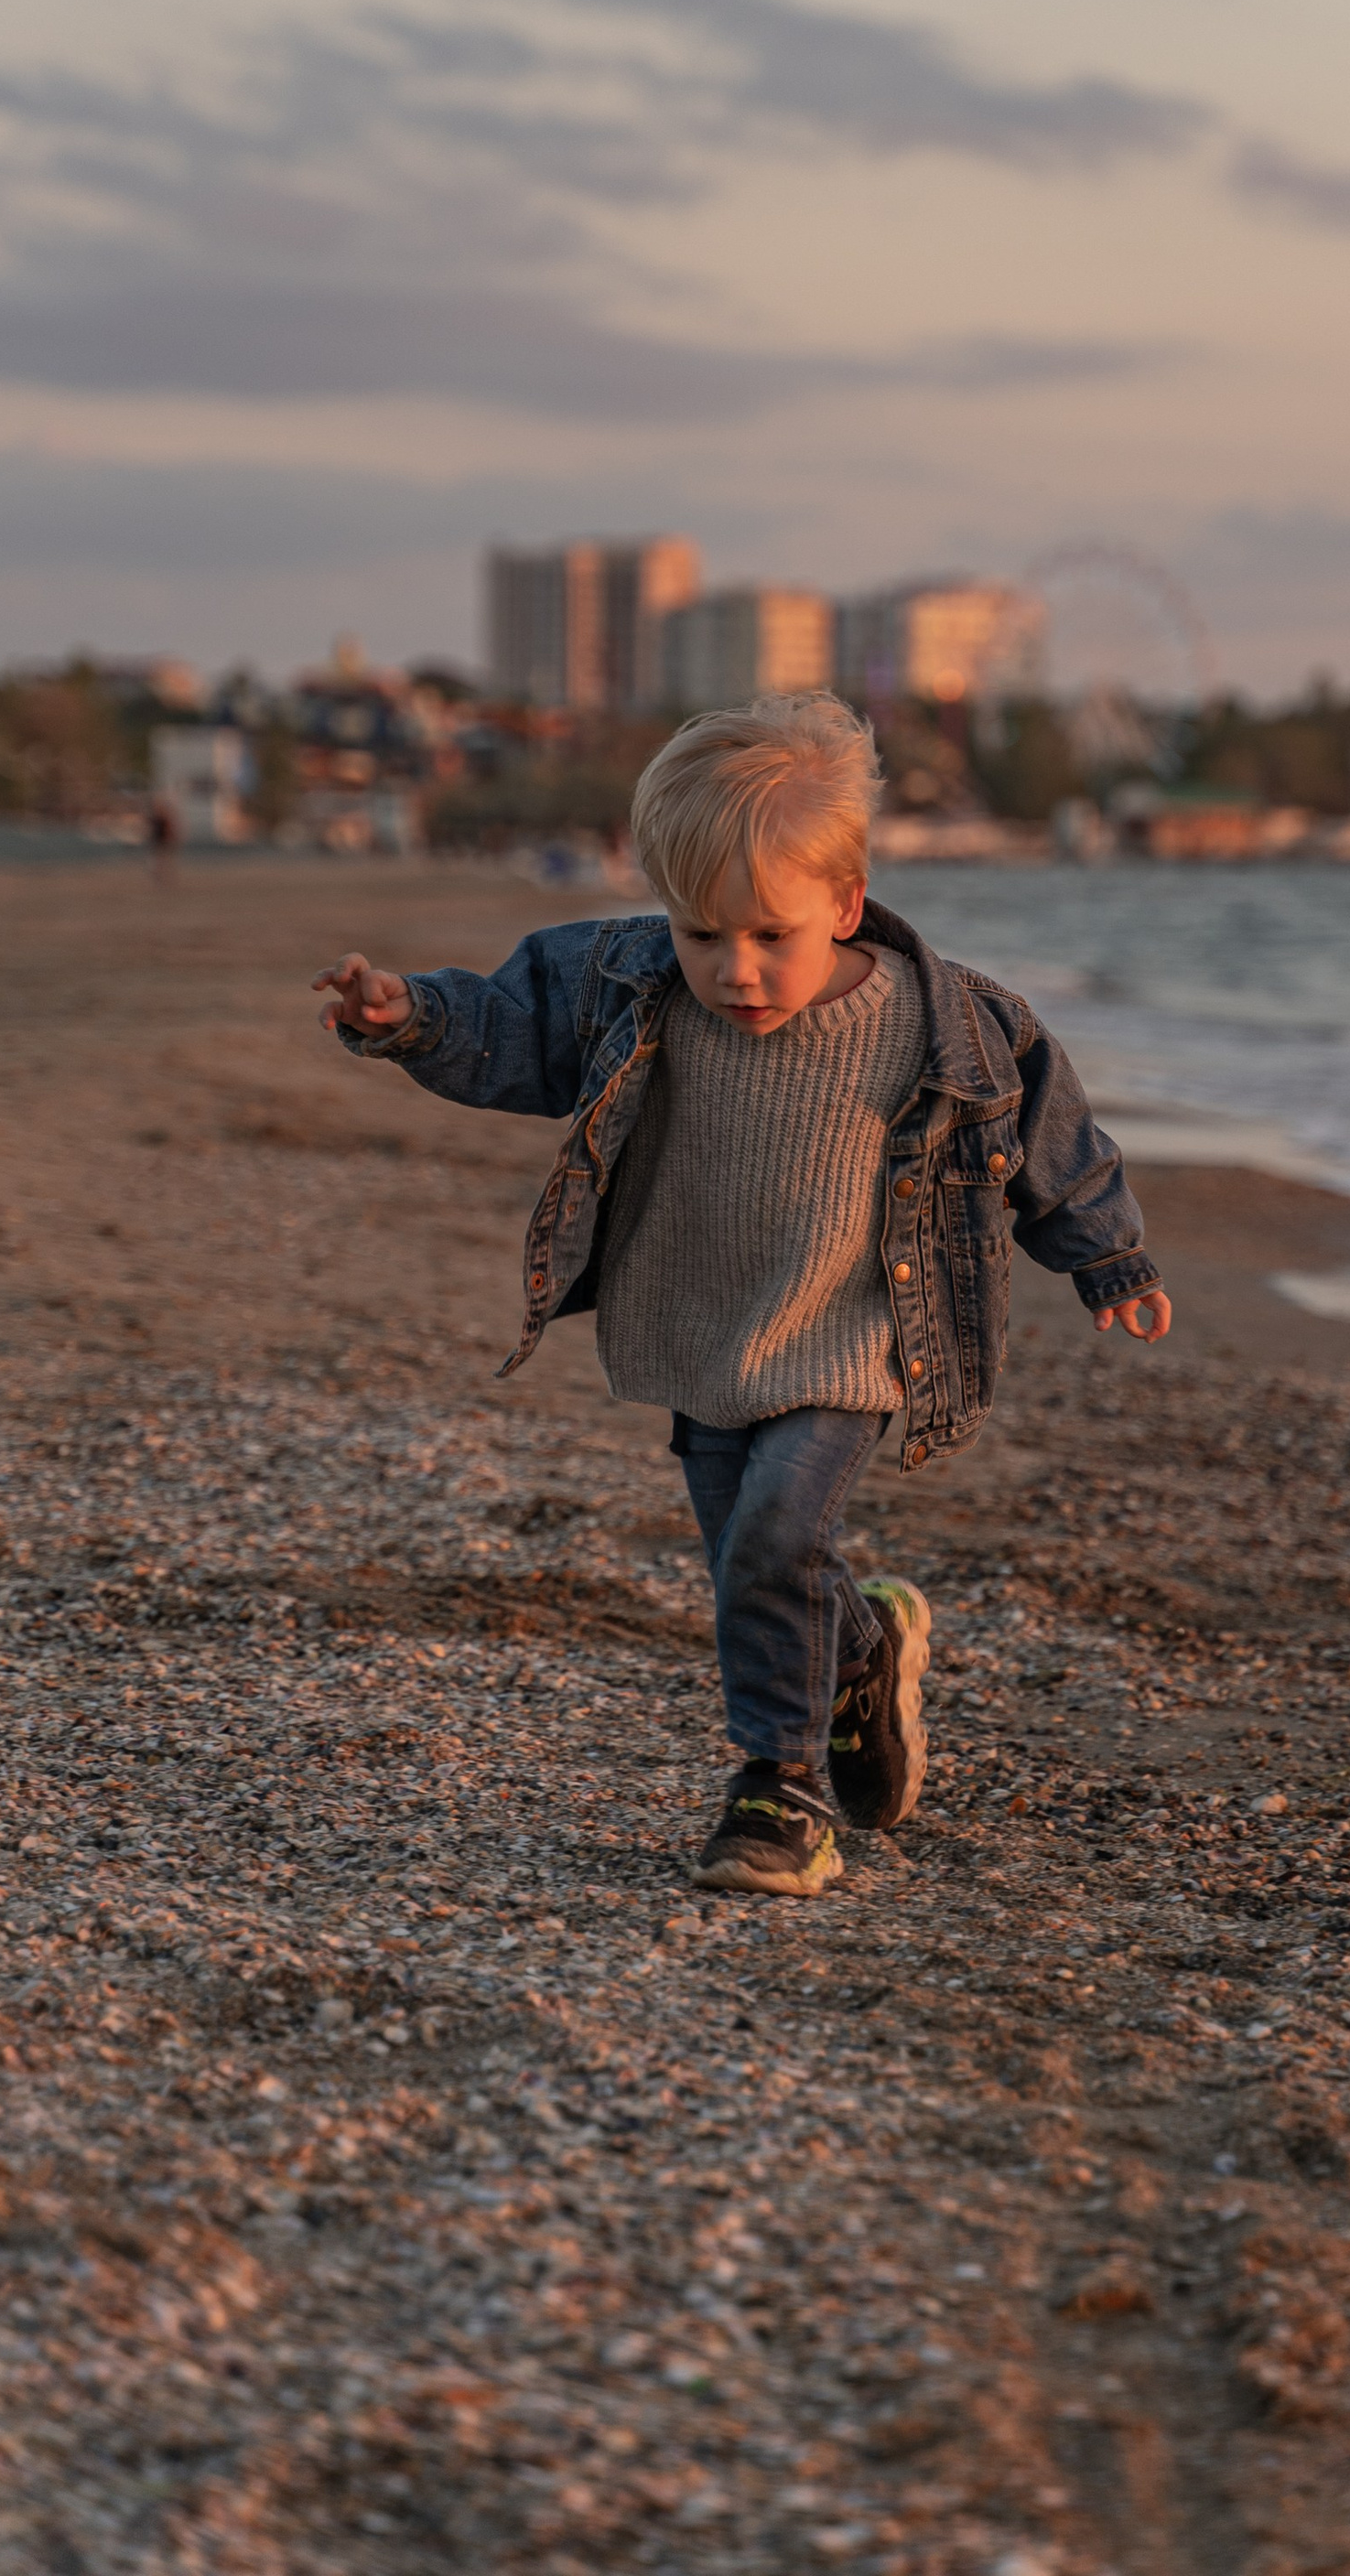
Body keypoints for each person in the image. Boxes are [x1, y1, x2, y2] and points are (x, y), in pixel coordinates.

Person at [311, 694, 1171, 1898]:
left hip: (850, 1336)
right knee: (764, 1563)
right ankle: (865, 1649)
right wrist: (414, 1017)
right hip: (702, 1329)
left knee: (775, 1538)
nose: (735, 967)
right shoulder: (635, 980)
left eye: (770, 933)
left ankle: (781, 1788)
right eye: (704, 934)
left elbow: (1041, 1125)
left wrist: (1105, 1249)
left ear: (846, 900)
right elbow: (518, 1028)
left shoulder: (945, 1021)